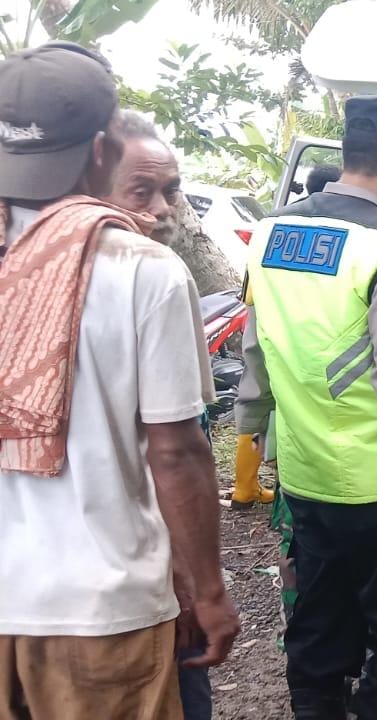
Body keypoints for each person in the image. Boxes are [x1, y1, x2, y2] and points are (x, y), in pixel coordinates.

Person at [0, 43, 239, 718]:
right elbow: (176, 451)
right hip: (100, 609)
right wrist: (209, 592)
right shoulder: (140, 268)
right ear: (103, 150)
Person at [235, 95, 377, 720]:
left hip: (305, 476)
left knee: (319, 621)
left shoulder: (271, 232)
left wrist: (252, 436)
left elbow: (258, 347)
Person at [99, 109, 217, 720]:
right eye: (140, 192)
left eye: (171, 191)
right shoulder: (152, 273)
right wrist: (193, 579)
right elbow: (175, 451)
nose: (162, 209)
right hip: (136, 586)